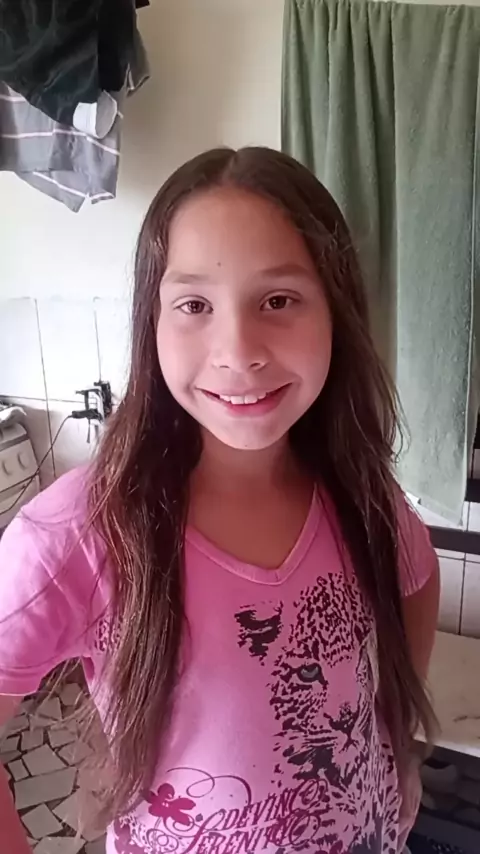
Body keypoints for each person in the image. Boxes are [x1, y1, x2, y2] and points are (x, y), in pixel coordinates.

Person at [0, 147, 439, 854]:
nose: (239, 351)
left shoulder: (363, 495)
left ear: (337, 312)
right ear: (152, 322)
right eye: (195, 305)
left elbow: (416, 577)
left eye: (278, 300)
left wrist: (397, 741)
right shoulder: (80, 532)